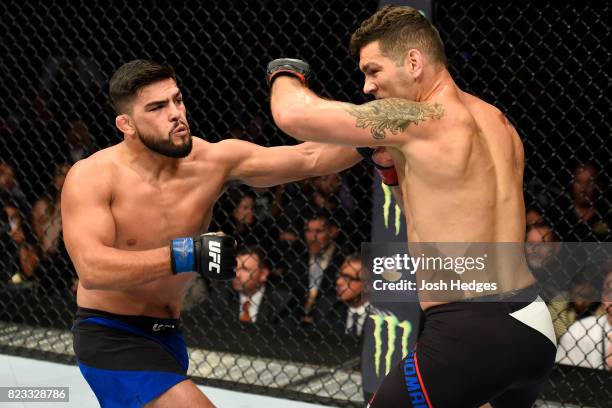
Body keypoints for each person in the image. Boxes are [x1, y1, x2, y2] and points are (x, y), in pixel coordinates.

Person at [267, 6, 556, 407]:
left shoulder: (415, 117)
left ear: (414, 62)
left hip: (470, 331)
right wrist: (391, 175)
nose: (367, 86)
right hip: (531, 323)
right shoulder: (497, 122)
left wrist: (284, 72)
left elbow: (292, 114)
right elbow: (442, 216)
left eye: (373, 70)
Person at [63, 59, 361, 408]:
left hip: (169, 335)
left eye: (177, 99)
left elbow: (310, 158)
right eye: (158, 107)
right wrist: (188, 253)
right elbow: (93, 269)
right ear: (125, 123)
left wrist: (384, 133)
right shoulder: (93, 177)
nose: (175, 113)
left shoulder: (212, 163)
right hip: (110, 333)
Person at [556, 266, 611, 370]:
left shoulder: (599, 311)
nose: (581, 301)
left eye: (586, 296)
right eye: (608, 291)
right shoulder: (577, 329)